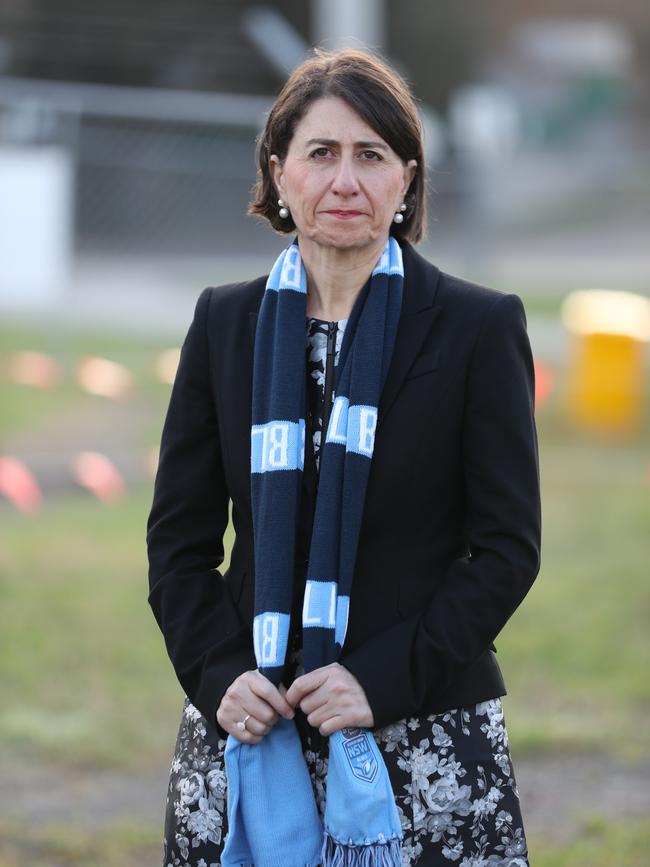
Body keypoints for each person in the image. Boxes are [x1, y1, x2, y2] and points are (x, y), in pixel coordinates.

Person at [147, 47, 541, 867]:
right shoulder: (225, 325)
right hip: (250, 724)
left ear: (406, 178)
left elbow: (506, 549)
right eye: (321, 153)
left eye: (372, 156)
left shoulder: (478, 328)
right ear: (279, 172)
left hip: (423, 735)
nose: (345, 182)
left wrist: (381, 680)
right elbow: (178, 544)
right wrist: (218, 673)